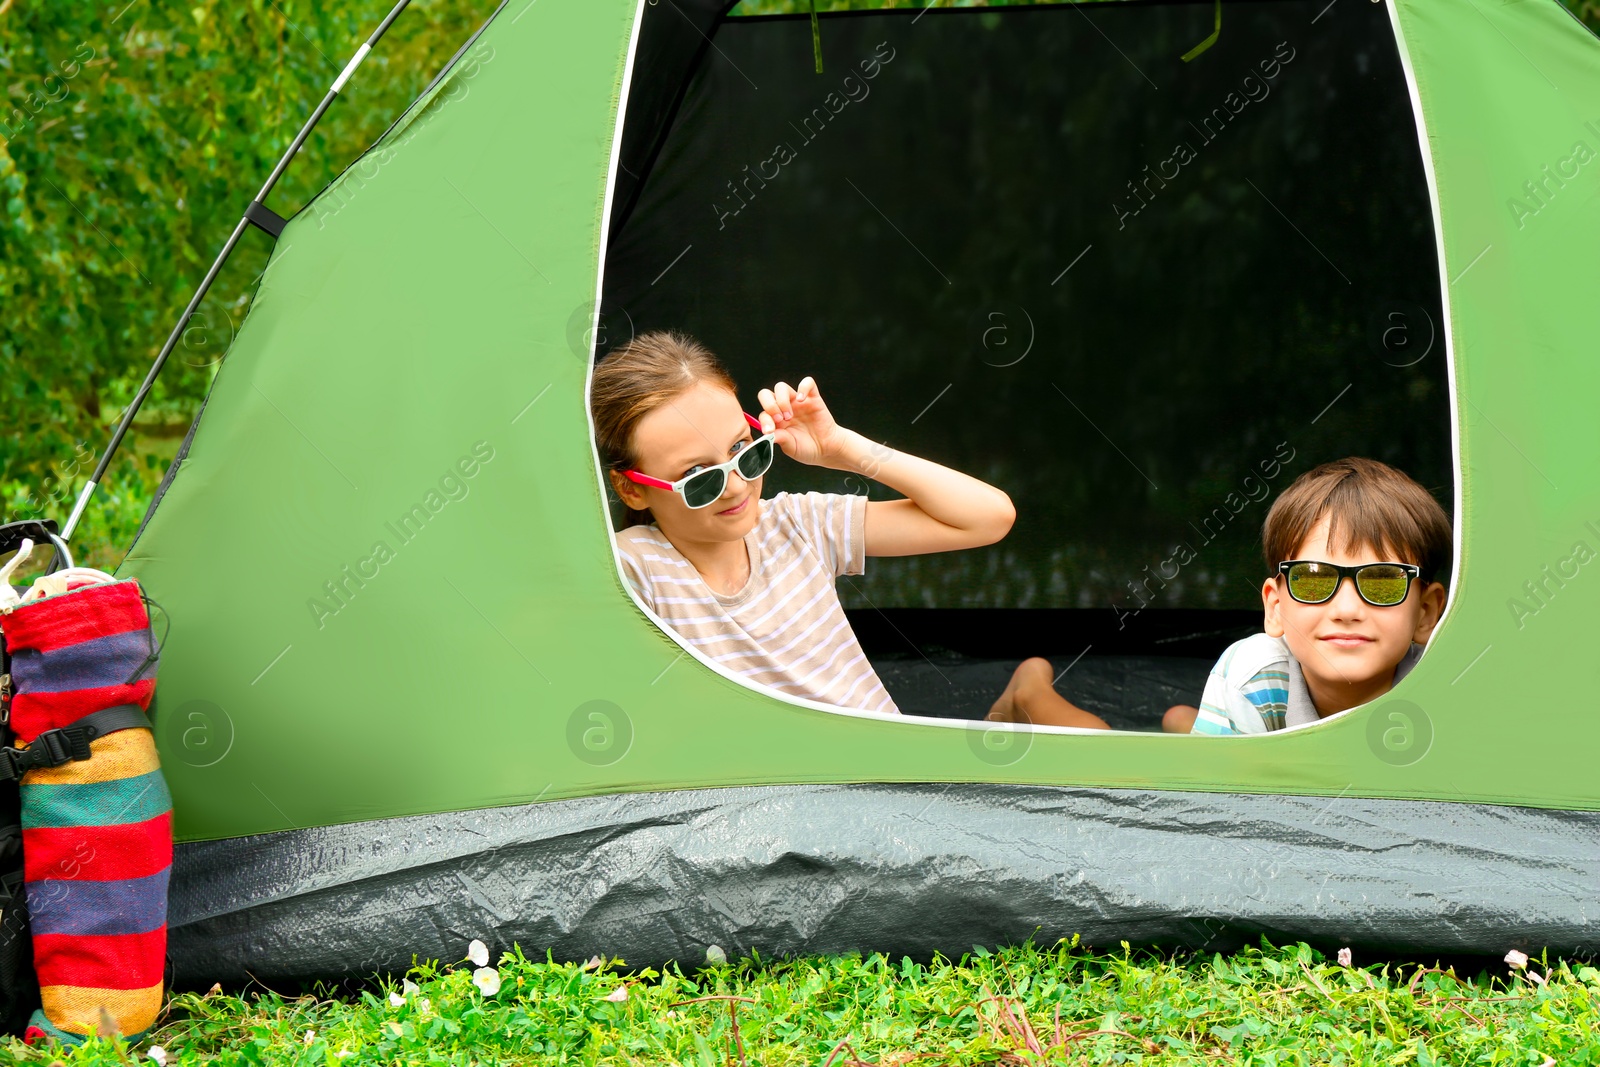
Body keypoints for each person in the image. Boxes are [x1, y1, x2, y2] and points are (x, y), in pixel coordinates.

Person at [591, 330, 1015, 714]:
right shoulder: (634, 569)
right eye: (697, 477)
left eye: (744, 449)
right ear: (632, 489)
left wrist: (844, 448)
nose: (737, 487)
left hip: (888, 773)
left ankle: (1027, 691)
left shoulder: (797, 522)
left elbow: (987, 518)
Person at [1162, 456, 1450, 734]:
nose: (1347, 610)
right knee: (1181, 727)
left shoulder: (1445, 690)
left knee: (1180, 721)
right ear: (1275, 607)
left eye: (1383, 580)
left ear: (1425, 612)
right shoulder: (1254, 677)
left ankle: (1184, 722)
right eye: (1315, 578)